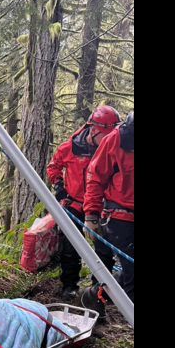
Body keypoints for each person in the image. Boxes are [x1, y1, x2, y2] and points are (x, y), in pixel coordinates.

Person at [47, 106, 122, 300]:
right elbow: (54, 166)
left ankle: (100, 290)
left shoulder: (111, 149)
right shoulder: (69, 147)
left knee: (104, 250)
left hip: (100, 206)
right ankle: (69, 286)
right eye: (106, 136)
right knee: (70, 248)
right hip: (75, 205)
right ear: (94, 130)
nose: (109, 140)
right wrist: (58, 184)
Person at [82, 111, 134, 311]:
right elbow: (95, 178)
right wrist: (91, 215)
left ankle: (96, 293)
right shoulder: (115, 140)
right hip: (120, 217)